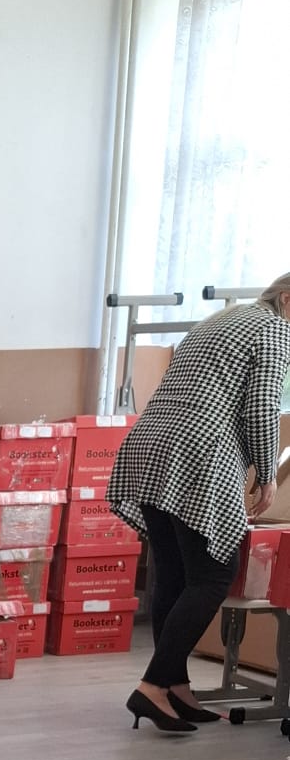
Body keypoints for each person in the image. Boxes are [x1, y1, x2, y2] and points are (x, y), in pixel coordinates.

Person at [109, 273, 290, 733]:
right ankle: (152, 686)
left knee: (174, 574)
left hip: (151, 444)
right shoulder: (273, 328)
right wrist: (266, 471)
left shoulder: (222, 319)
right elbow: (262, 406)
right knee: (213, 575)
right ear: (288, 300)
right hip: (198, 452)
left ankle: (174, 686)